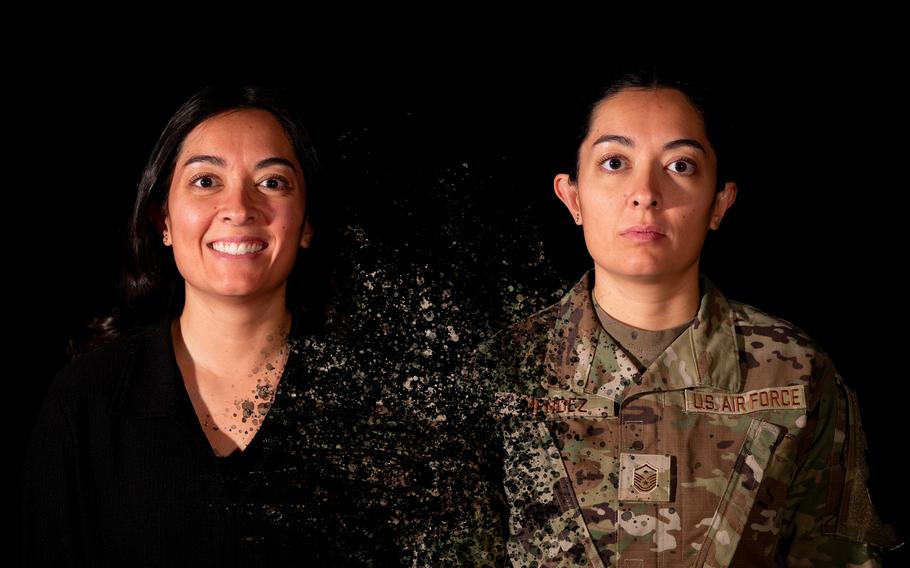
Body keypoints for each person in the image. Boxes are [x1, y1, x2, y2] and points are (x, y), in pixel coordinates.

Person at [473, 71, 901, 566]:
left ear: (719, 202)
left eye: (680, 165)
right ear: (573, 197)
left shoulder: (796, 373)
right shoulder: (502, 372)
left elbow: (841, 557)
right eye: (615, 163)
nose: (646, 193)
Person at [20, 86, 414, 565]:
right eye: (206, 181)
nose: (240, 208)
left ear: (307, 224)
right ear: (162, 218)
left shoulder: (385, 405)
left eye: (272, 183)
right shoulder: (85, 401)